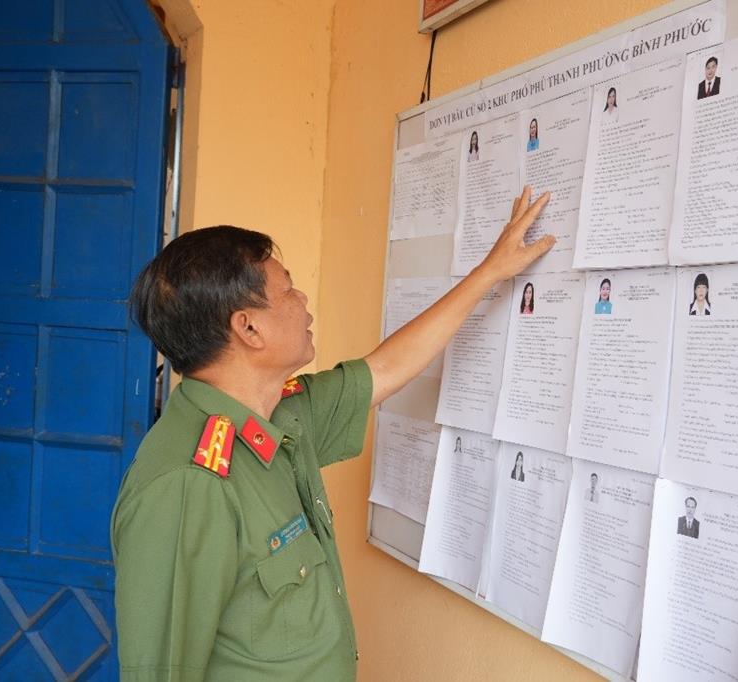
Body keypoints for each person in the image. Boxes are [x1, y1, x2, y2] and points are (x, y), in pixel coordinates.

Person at [111, 186, 555, 680]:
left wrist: (490, 273)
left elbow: (386, 369)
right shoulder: (187, 484)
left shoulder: (282, 414)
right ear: (249, 328)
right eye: (288, 290)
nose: (302, 299)